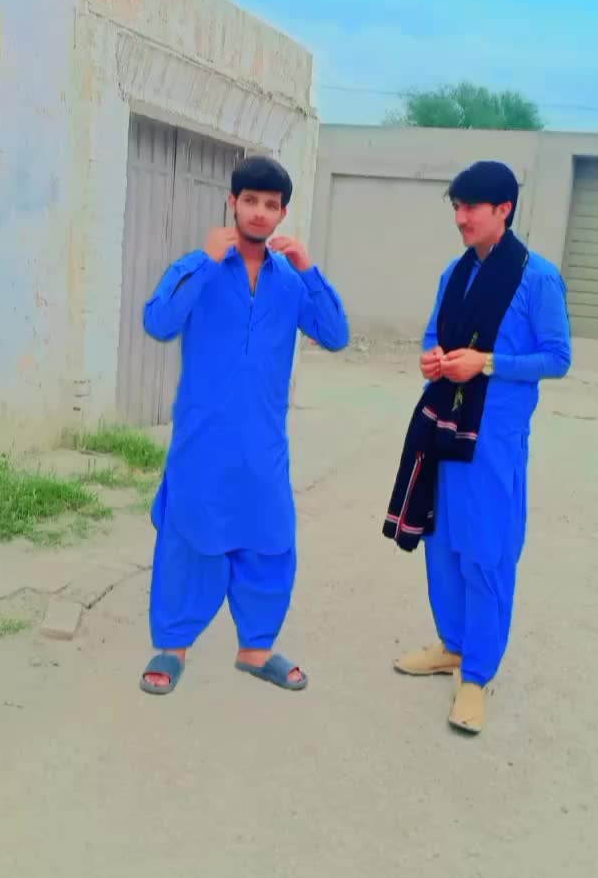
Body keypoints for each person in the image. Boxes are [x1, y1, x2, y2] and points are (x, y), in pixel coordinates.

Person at [140, 155, 349, 695]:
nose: (259, 212)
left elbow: (335, 334)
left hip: (263, 441)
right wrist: (207, 262)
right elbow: (159, 322)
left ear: (283, 213)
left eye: (270, 205)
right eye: (250, 201)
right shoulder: (199, 266)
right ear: (232, 202)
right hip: (203, 437)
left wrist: (309, 268)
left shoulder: (291, 282)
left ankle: (256, 648)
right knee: (189, 535)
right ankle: (172, 647)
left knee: (269, 537)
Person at [384, 161, 571, 735]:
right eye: (457, 207)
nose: (461, 218)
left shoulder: (537, 279)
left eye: (471, 208)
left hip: (493, 439)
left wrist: (487, 363)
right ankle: (453, 644)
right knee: (440, 541)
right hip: (444, 425)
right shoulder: (456, 272)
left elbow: (557, 358)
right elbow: (432, 336)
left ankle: (477, 674)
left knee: (486, 551)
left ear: (503, 210)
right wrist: (432, 359)